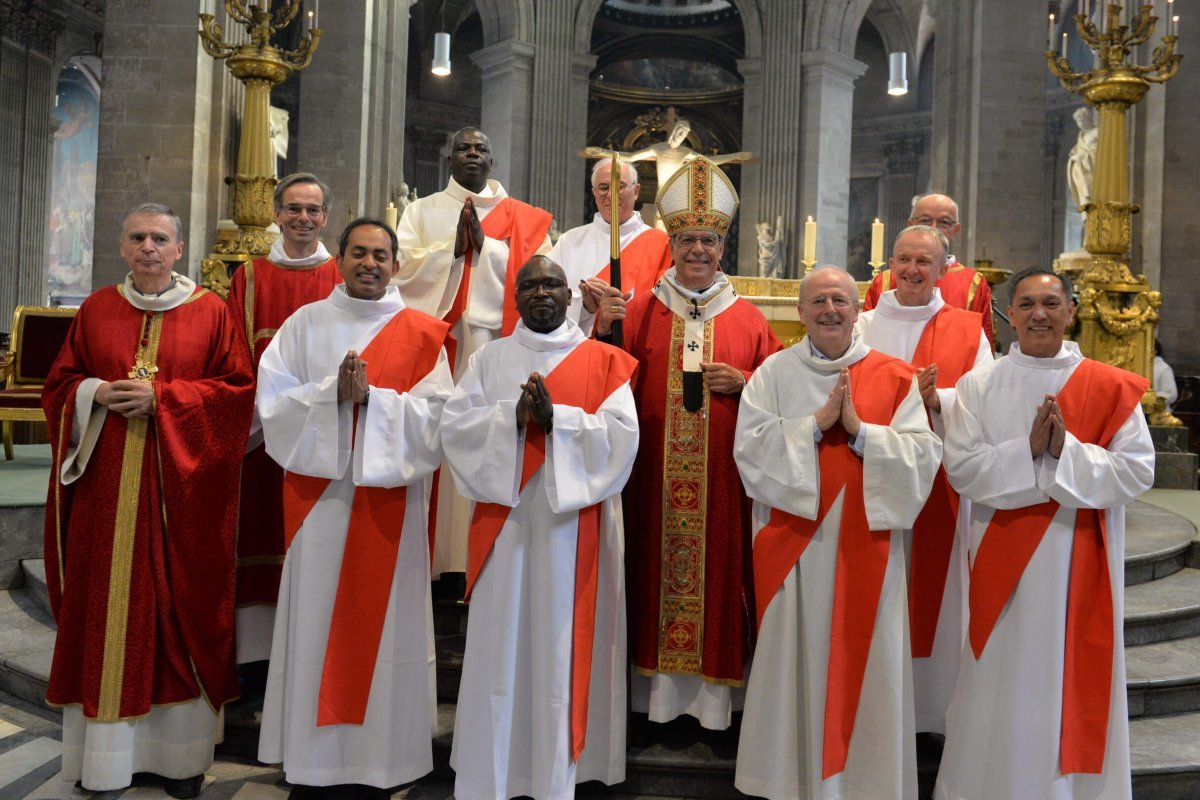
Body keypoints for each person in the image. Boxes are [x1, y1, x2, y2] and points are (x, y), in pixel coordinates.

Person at [41, 203, 255, 797]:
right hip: (104, 492)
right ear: (122, 245)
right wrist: (94, 391)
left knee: (172, 609)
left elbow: (237, 394)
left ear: (180, 249)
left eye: (160, 238)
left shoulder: (212, 311)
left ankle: (178, 759)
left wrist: (166, 400)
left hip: (180, 500)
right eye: (137, 237)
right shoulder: (96, 309)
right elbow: (59, 384)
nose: (149, 248)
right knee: (104, 608)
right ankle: (103, 759)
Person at [935, 268, 1155, 800]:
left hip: (1076, 559)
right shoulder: (978, 385)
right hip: (998, 561)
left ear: (1071, 310)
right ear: (1011, 313)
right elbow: (962, 469)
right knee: (997, 678)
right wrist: (1027, 452)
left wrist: (1064, 453)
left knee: (1066, 680)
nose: (1040, 314)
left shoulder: (1108, 385)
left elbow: (1137, 470)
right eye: (1029, 303)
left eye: (1052, 303)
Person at [255, 218, 453, 797]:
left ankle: (380, 763)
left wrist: (376, 403)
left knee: (388, 634)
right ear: (338, 259)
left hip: (388, 503)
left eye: (381, 255)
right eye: (359, 253)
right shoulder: (304, 325)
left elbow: (438, 419)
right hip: (319, 504)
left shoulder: (422, 333)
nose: (370, 263)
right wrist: (330, 396)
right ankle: (312, 764)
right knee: (314, 624)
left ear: (396, 264)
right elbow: (273, 405)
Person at [733, 266, 940, 800]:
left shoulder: (896, 377)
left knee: (867, 660)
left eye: (840, 301)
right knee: (791, 661)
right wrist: (814, 427)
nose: (830, 310)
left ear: (857, 310)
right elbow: (749, 453)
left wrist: (862, 433)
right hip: (793, 550)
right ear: (800, 313)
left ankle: (864, 785)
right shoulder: (773, 374)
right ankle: (788, 780)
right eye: (819, 301)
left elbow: (923, 458)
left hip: (865, 548)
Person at [595, 155, 781, 730]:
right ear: (670, 244)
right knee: (649, 577)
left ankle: (709, 709)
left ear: (722, 247)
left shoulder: (750, 320)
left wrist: (747, 383)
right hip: (652, 479)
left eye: (708, 239)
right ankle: (651, 702)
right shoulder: (640, 312)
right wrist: (602, 330)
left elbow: (784, 395)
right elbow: (604, 382)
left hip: (724, 486)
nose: (699, 250)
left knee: (719, 580)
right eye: (688, 240)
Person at [443, 256, 639, 800]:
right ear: (515, 298)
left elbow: (623, 438)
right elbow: (455, 428)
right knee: (501, 642)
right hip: (505, 526)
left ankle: (565, 770)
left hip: (575, 529)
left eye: (552, 282)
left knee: (563, 648)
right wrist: (514, 419)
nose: (541, 292)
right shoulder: (489, 359)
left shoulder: (604, 361)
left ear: (570, 293)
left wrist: (560, 422)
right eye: (529, 284)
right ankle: (496, 770)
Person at [393, 126, 553, 576]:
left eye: (480, 148)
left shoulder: (526, 218)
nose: (471, 154)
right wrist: (452, 251)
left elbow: (545, 280)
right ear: (448, 159)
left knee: (486, 433)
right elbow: (400, 269)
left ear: (492, 161)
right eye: (462, 147)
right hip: (436, 345)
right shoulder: (421, 212)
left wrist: (488, 250)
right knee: (438, 436)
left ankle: (477, 556)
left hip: (495, 342)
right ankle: (437, 562)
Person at [855, 225, 992, 736]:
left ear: (943, 269)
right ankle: (874, 701)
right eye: (904, 259)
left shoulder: (968, 328)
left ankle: (930, 709)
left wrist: (938, 400)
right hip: (872, 472)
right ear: (889, 264)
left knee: (937, 591)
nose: (912, 270)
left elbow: (985, 400)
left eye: (924, 262)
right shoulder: (861, 324)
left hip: (941, 483)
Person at [226, 172, 341, 671]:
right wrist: (260, 418)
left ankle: (308, 655)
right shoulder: (248, 278)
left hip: (321, 434)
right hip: (259, 435)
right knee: (259, 531)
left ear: (325, 217)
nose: (303, 219)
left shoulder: (341, 276)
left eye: (312, 210)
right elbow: (233, 354)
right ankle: (255, 659)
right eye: (293, 209)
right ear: (276, 215)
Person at [549, 157, 672, 334]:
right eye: (604, 188)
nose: (611, 195)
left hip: (636, 351)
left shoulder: (661, 244)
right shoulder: (569, 241)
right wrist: (584, 307)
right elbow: (548, 300)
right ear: (594, 192)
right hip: (577, 351)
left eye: (620, 186)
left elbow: (665, 310)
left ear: (636, 191)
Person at [863, 193, 995, 345]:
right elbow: (866, 339)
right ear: (910, 224)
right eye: (925, 221)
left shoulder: (973, 283)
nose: (934, 228)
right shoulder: (885, 280)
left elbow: (980, 344)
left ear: (956, 230)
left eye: (943, 222)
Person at [1154, 338, 1178, 413]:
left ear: (1154, 351)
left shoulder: (1163, 369)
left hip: (1158, 413)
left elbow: (1171, 394)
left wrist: (1149, 397)